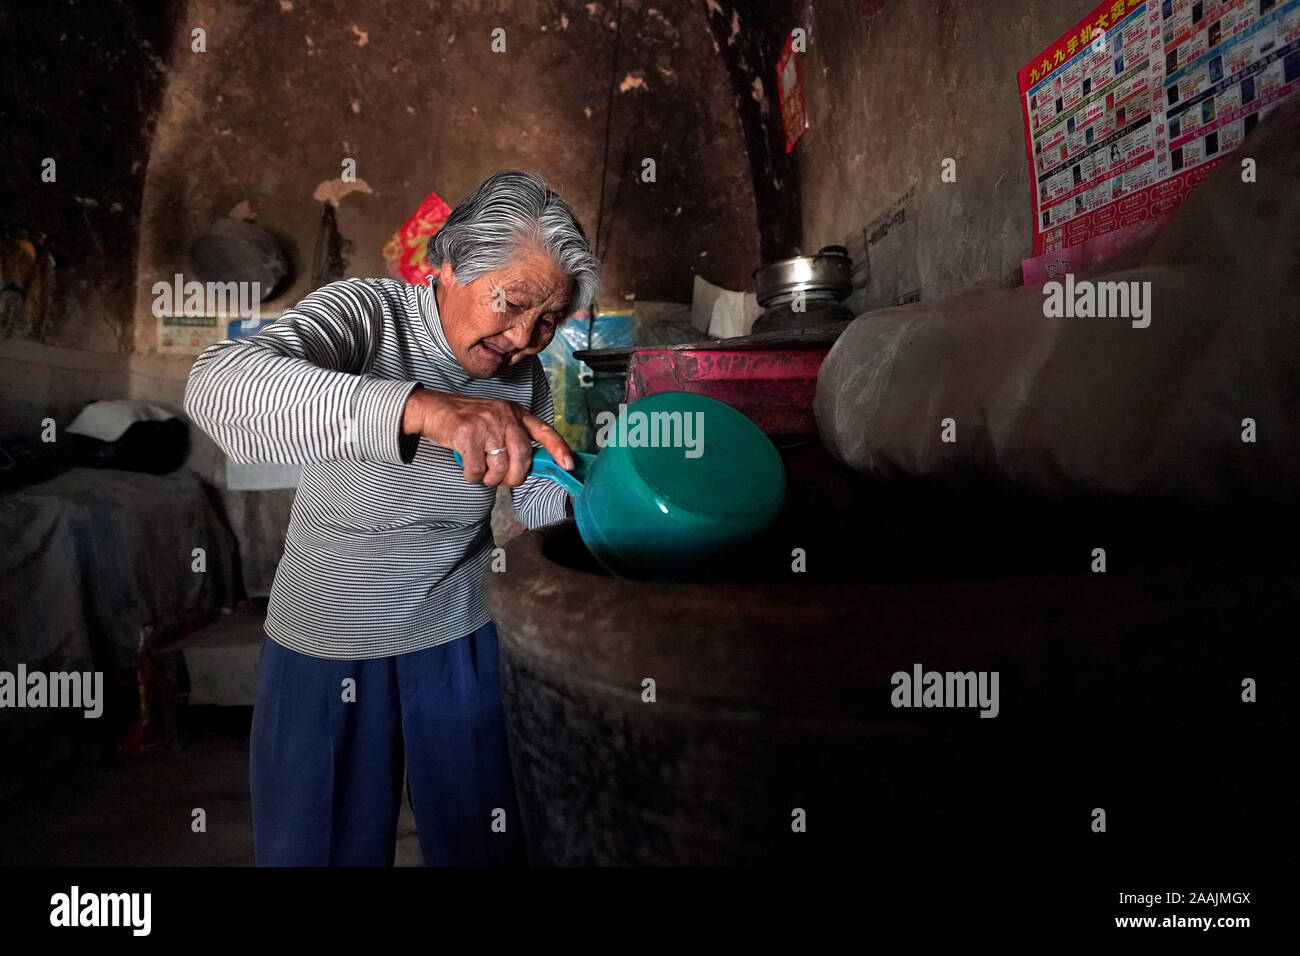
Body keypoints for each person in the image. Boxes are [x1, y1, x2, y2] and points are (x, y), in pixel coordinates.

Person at [185, 170, 600, 866]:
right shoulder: (364, 314)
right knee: (318, 847)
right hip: (326, 633)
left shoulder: (525, 376)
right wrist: (426, 408)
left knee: (486, 844)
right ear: (446, 266)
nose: (526, 336)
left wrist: (591, 498)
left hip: (458, 633)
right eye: (513, 302)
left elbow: (534, 497)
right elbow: (219, 385)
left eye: (549, 322)